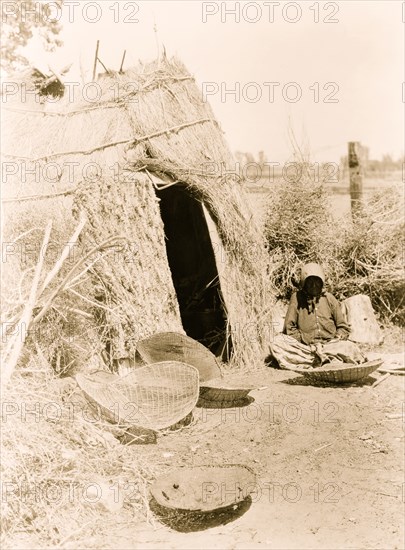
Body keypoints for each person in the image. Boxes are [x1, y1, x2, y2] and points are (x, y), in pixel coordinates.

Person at [269, 263, 365, 369]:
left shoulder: (329, 298)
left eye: (317, 282)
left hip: (330, 346)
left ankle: (317, 360)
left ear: (322, 283)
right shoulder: (296, 298)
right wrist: (304, 342)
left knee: (351, 347)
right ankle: (325, 360)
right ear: (303, 283)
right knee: (277, 343)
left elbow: (342, 327)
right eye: (310, 282)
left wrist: (337, 338)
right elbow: (289, 327)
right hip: (306, 348)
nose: (314, 286)